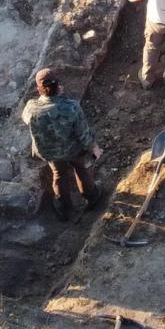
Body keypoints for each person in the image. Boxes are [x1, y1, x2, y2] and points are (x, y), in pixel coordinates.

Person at [19, 68, 104, 220]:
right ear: (59, 86)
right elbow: (83, 134)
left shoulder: (31, 108)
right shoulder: (71, 107)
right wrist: (94, 148)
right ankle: (91, 197)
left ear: (39, 89)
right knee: (81, 169)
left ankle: (65, 207)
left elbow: (26, 119)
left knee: (58, 175)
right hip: (74, 150)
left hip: (50, 153)